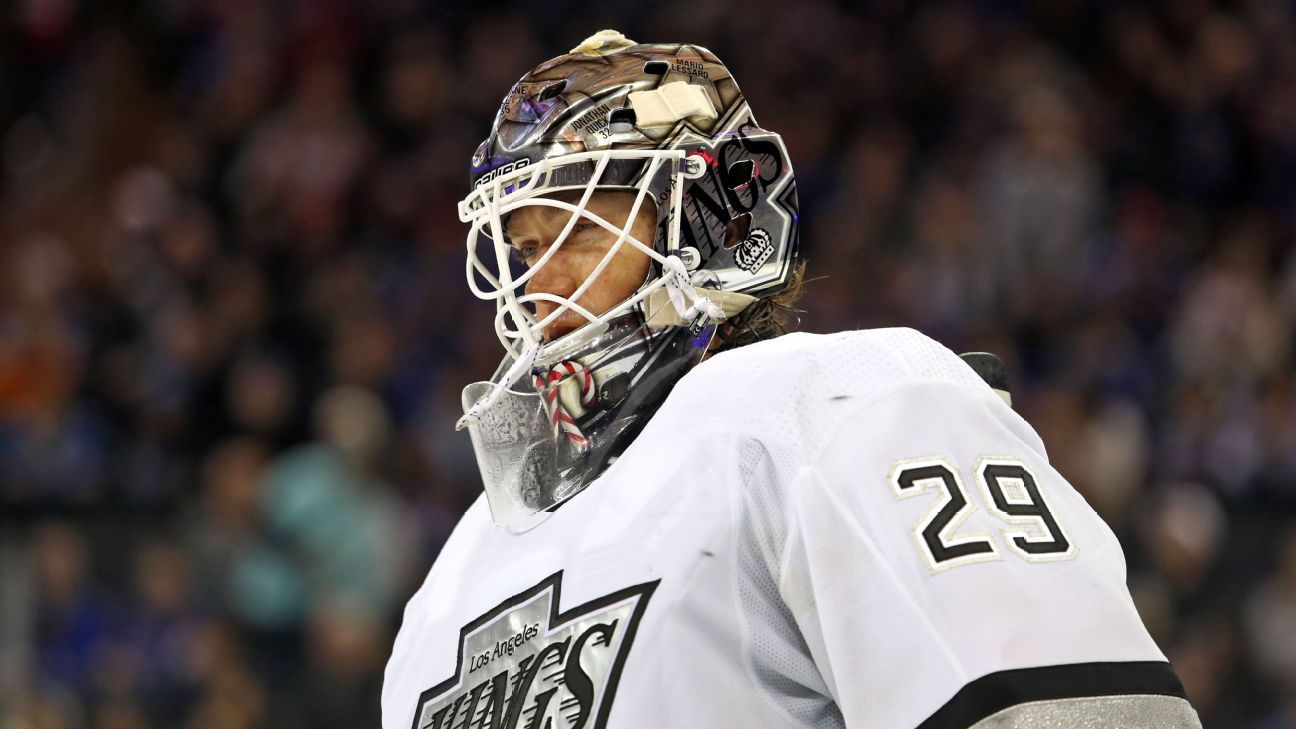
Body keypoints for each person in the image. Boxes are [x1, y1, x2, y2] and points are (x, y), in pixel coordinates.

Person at [382, 30, 1202, 729]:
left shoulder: (832, 401)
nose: (539, 284)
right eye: (526, 248)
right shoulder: (453, 579)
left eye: (581, 232)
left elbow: (1066, 710)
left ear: (710, 218)